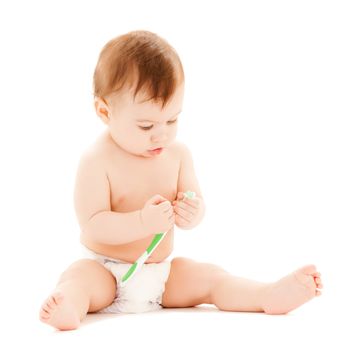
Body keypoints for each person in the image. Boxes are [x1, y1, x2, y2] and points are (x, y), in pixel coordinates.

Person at [39, 30, 323, 331]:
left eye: (172, 120)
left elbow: (195, 204)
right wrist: (142, 222)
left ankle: (266, 295)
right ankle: (69, 306)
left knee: (210, 277)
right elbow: (93, 224)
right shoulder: (97, 160)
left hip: (161, 275)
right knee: (79, 277)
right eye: (146, 125)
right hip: (106, 270)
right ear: (105, 111)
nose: (161, 134)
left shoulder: (178, 155)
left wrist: (192, 212)